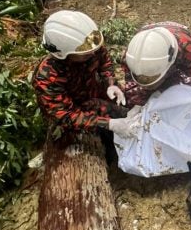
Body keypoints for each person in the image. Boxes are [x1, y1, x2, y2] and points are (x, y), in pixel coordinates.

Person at [32, 10, 137, 152]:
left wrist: (110, 83)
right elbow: (66, 116)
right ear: (64, 54)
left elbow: (104, 61)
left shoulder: (88, 45)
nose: (93, 53)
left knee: (128, 111)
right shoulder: (47, 77)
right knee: (105, 137)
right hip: (77, 111)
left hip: (95, 92)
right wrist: (109, 124)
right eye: (85, 54)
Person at [122, 22, 191, 109]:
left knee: (185, 88)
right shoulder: (132, 54)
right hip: (157, 41)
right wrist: (136, 104)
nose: (149, 85)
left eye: (152, 79)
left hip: (184, 43)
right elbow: (130, 82)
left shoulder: (189, 51)